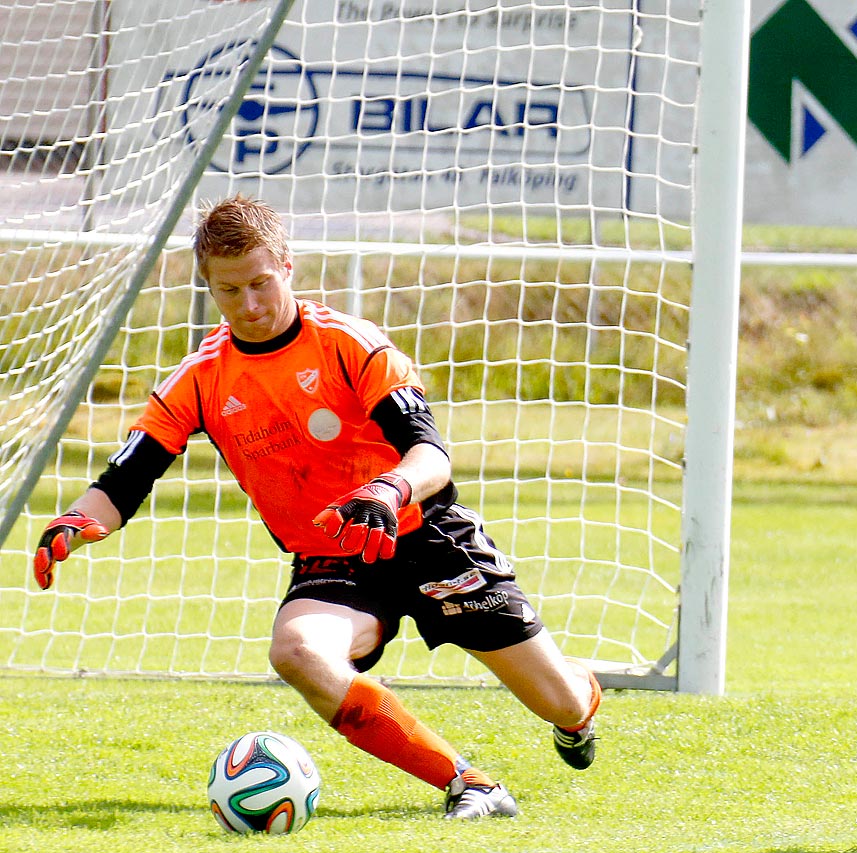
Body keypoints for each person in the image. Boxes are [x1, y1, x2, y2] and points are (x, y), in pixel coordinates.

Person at [32, 195, 601, 820]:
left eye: (259, 283)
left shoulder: (347, 344)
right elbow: (123, 481)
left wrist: (387, 490)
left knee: (561, 702)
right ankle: (470, 784)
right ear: (208, 288)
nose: (248, 306)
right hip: (335, 557)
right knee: (297, 651)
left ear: (287, 266)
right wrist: (76, 522)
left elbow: (432, 457)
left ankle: (576, 707)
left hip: (427, 534)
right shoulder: (198, 379)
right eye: (228, 291)